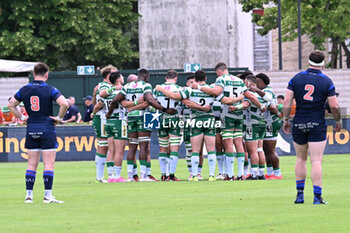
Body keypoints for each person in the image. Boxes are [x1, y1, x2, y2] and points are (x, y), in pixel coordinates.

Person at [283, 50, 342, 205]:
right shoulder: (326, 81)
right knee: (316, 160)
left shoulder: (296, 78)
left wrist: (285, 120)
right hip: (317, 123)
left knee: (300, 159)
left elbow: (287, 102)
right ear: (323, 63)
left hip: (300, 122)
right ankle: (317, 197)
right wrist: (338, 121)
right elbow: (334, 105)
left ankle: (300, 195)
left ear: (308, 61)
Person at [7, 63, 68, 203]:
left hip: (32, 128)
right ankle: (47, 196)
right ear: (46, 75)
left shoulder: (24, 89)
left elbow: (11, 104)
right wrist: (59, 118)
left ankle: (29, 196)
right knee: (48, 164)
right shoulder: (50, 89)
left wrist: (22, 118)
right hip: (47, 128)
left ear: (34, 74)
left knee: (31, 164)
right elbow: (64, 104)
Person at [192, 62, 263, 180]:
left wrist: (198, 87)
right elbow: (250, 96)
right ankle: (240, 174)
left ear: (219, 71)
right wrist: (260, 106)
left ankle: (230, 174)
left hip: (227, 113)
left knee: (228, 143)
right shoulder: (239, 80)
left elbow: (215, 92)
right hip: (239, 114)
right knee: (239, 143)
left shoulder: (221, 79)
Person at [107, 68, 176, 182]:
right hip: (143, 117)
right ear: (146, 77)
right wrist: (165, 109)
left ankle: (131, 176)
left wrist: (109, 113)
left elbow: (115, 100)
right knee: (144, 146)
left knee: (132, 147)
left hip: (130, 118)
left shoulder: (127, 86)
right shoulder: (146, 85)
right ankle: (144, 175)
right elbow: (149, 99)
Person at [93, 71, 133, 182]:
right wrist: (137, 102)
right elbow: (125, 104)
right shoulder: (119, 90)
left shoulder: (107, 91)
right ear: (118, 79)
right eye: (122, 76)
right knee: (119, 150)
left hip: (108, 122)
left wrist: (93, 112)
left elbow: (99, 101)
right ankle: (117, 175)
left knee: (110, 150)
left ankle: (110, 175)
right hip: (119, 121)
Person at [253, 73, 282, 179]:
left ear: (261, 82)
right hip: (266, 122)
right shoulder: (264, 91)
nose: (255, 84)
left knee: (271, 150)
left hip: (271, 122)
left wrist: (278, 114)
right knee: (266, 149)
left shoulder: (267, 91)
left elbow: (273, 107)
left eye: (257, 82)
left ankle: (277, 173)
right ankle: (270, 173)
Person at [92, 65, 118, 183]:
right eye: (114, 74)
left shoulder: (99, 86)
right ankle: (100, 176)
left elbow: (94, 98)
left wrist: (93, 112)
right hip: (103, 117)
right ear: (109, 75)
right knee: (103, 146)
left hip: (102, 117)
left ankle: (103, 174)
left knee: (105, 146)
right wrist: (95, 111)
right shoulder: (105, 86)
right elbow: (100, 102)